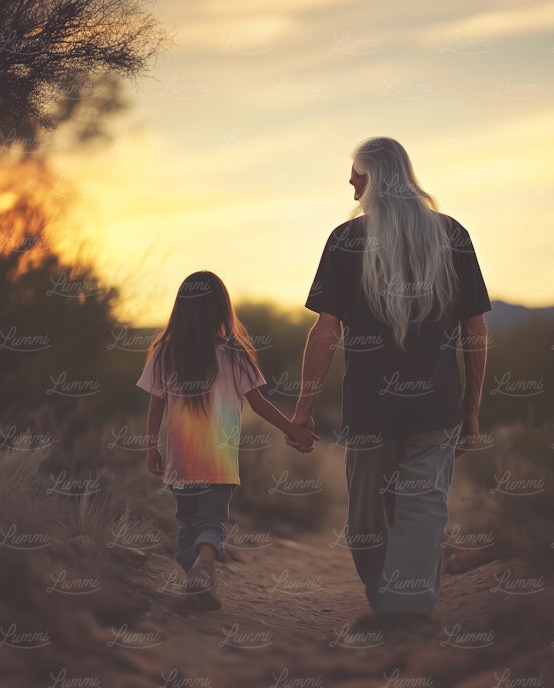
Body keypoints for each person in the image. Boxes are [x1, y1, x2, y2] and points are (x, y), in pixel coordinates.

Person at [287, 137, 490, 630]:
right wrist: (468, 408)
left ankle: (402, 612)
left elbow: (326, 332)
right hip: (429, 406)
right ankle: (397, 608)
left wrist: (303, 408)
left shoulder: (348, 239)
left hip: (374, 409)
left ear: (373, 177)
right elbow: (476, 332)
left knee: (381, 520)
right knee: (400, 517)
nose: (350, 181)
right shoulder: (448, 235)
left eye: (355, 172)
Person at [137, 271, 317, 610]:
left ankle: (196, 574)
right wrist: (292, 429)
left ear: (181, 309)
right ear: (221, 309)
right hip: (219, 462)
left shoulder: (163, 353)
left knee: (187, 523)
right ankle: (204, 569)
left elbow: (155, 405)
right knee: (212, 521)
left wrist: (151, 447)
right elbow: (259, 403)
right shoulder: (234, 354)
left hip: (181, 462)